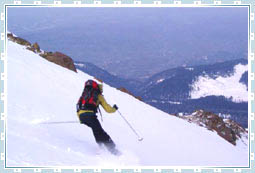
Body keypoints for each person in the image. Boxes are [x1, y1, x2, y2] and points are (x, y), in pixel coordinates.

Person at [76, 79, 119, 154]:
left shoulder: (84, 94)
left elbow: (78, 106)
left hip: (82, 116)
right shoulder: (98, 95)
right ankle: (114, 151)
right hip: (90, 116)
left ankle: (102, 148)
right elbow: (108, 109)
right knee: (100, 132)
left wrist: (80, 119)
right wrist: (114, 109)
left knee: (96, 130)